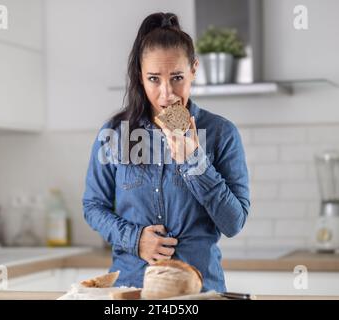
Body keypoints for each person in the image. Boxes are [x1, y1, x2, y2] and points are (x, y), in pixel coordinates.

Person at [83, 12, 250, 292]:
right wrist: (135, 238)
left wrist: (195, 163)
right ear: (140, 75)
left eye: (176, 78)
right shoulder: (114, 134)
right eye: (153, 79)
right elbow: (93, 206)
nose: (166, 94)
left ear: (194, 70)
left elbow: (233, 223)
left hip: (199, 292)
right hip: (131, 291)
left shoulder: (222, 133)